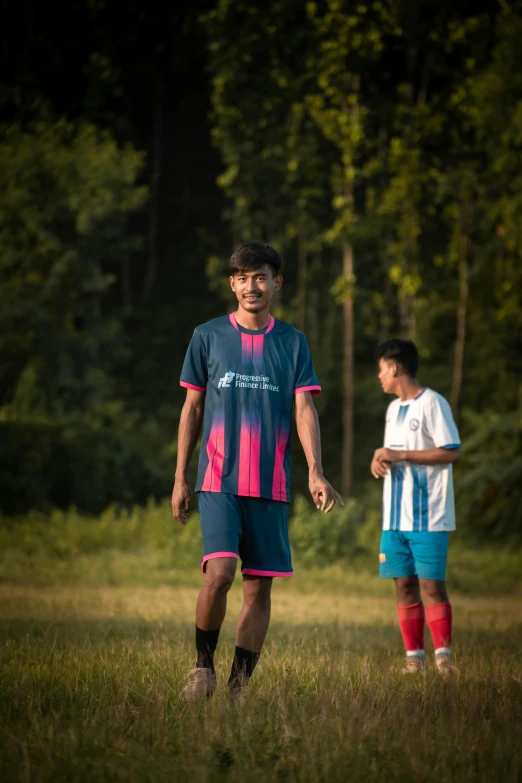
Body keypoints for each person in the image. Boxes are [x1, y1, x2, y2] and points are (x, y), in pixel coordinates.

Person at [172, 241, 342, 701]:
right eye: (243, 277)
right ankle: (201, 669)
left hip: (271, 486)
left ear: (276, 283)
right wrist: (180, 478)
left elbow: (304, 409)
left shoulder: (292, 342)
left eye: (261, 277)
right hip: (218, 481)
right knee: (221, 572)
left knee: (259, 591)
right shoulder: (207, 336)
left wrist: (315, 471)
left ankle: (237, 688)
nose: (252, 286)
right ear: (232, 283)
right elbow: (192, 408)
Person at [371, 338, 461, 674]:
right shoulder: (393, 409)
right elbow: (392, 452)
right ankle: (414, 660)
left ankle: (443, 659)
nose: (379, 377)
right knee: (403, 584)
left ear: (393, 367)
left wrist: (401, 455)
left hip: (429, 517)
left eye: (381, 370)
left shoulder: (433, 404)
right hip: (394, 518)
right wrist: (379, 460)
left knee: (431, 586)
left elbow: (451, 451)